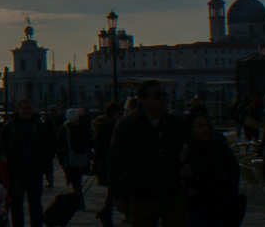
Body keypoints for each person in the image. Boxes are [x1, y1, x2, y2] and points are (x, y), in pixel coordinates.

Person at [108, 79, 189, 227]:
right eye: (157, 96)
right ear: (142, 100)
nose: (162, 99)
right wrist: (118, 194)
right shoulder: (128, 125)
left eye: (164, 95)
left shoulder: (177, 122)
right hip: (142, 192)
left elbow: (188, 149)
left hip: (172, 190)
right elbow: (116, 161)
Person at [0, 97, 53, 227]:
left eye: (29, 108)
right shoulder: (9, 127)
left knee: (35, 204)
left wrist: (49, 171)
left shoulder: (39, 126)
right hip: (15, 172)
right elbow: (2, 147)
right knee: (16, 205)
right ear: (17, 109)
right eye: (24, 108)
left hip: (34, 171)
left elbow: (47, 150)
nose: (27, 111)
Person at [181, 114, 240, 227]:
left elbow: (233, 170)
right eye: (199, 127)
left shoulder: (218, 145)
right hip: (196, 203)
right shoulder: (187, 150)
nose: (204, 129)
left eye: (206, 126)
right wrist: (185, 189)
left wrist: (230, 192)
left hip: (218, 201)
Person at [91, 101, 123, 227]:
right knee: (113, 191)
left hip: (106, 162)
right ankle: (107, 214)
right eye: (120, 113)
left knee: (112, 191)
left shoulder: (104, 125)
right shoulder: (110, 127)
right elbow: (102, 147)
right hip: (108, 163)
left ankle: (106, 214)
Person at [58, 108, 90, 201]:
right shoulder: (83, 127)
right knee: (78, 179)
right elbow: (89, 140)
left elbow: (59, 144)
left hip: (70, 157)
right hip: (82, 156)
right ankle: (79, 198)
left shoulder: (65, 129)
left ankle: (78, 199)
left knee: (75, 180)